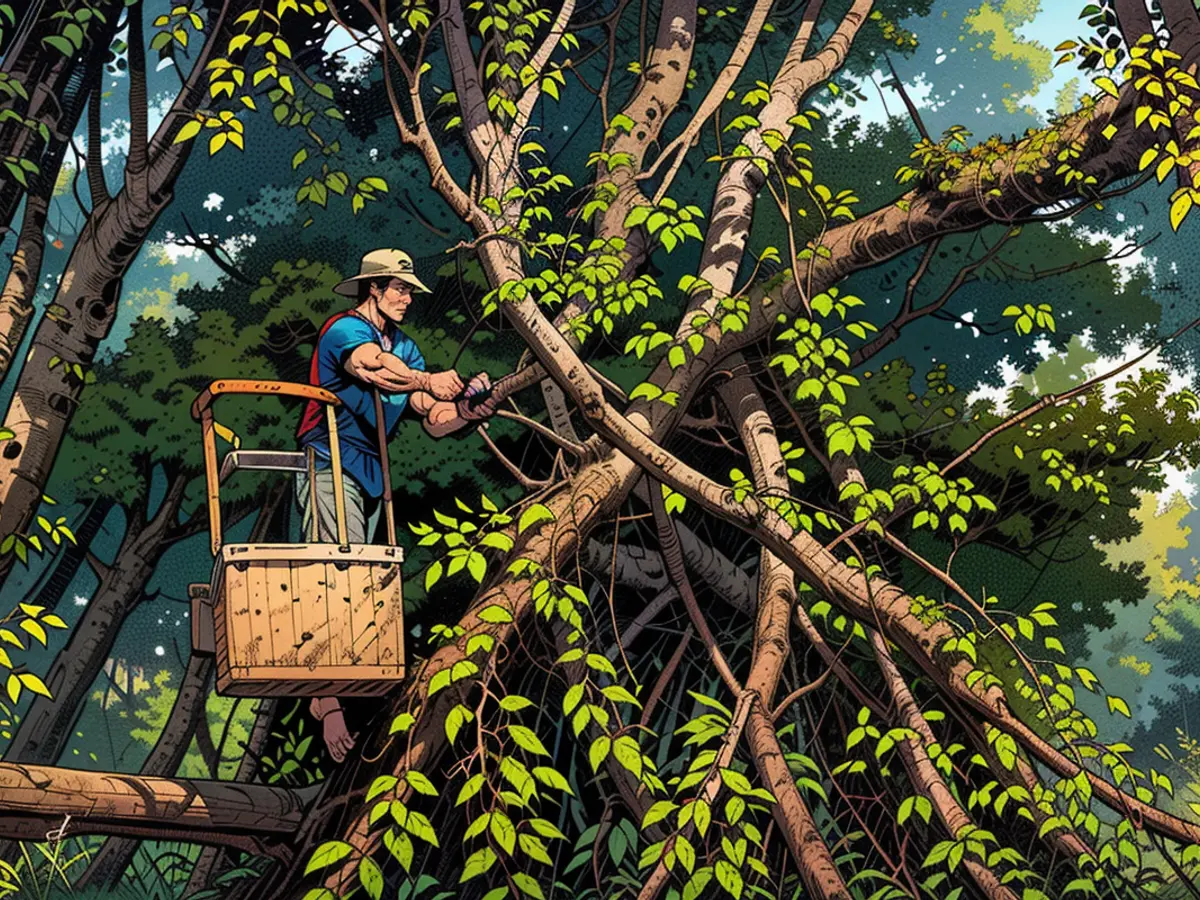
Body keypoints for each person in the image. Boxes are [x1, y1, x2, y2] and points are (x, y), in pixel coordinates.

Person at [295, 247, 498, 761]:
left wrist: (471, 408)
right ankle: (326, 698)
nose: (407, 298)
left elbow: (432, 416)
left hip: (367, 472)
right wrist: (428, 381)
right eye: (400, 288)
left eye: (410, 290)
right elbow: (373, 371)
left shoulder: (406, 348)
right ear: (374, 288)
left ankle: (352, 686)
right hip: (328, 458)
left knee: (364, 578)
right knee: (335, 571)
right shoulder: (345, 330)